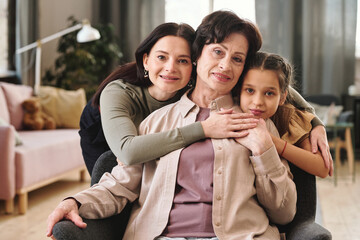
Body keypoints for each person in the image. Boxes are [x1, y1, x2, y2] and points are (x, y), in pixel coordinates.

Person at [47, 10, 297, 240]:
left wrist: (265, 150)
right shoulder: (156, 121)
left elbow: (284, 214)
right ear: (197, 55)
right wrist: (75, 201)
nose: (225, 65)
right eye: (218, 52)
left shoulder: (255, 123)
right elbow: (119, 186)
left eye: (238, 59)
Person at [79, 22, 259, 175]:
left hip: (141, 140)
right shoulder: (118, 92)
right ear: (146, 61)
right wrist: (205, 128)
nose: (170, 68)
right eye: (161, 57)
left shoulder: (192, 93)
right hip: (100, 131)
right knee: (111, 179)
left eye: (183, 61)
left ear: (194, 64)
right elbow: (128, 152)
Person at [239, 51, 330, 178]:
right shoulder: (228, 109)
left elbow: (323, 168)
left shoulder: (289, 117)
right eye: (250, 90)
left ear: (282, 97)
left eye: (269, 93)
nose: (258, 102)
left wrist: (272, 142)